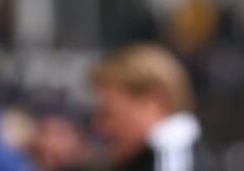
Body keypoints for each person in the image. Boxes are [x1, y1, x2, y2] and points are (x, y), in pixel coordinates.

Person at [90, 43, 219, 171]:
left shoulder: (172, 159)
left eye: (108, 114)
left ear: (154, 102)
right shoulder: (142, 159)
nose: (100, 127)